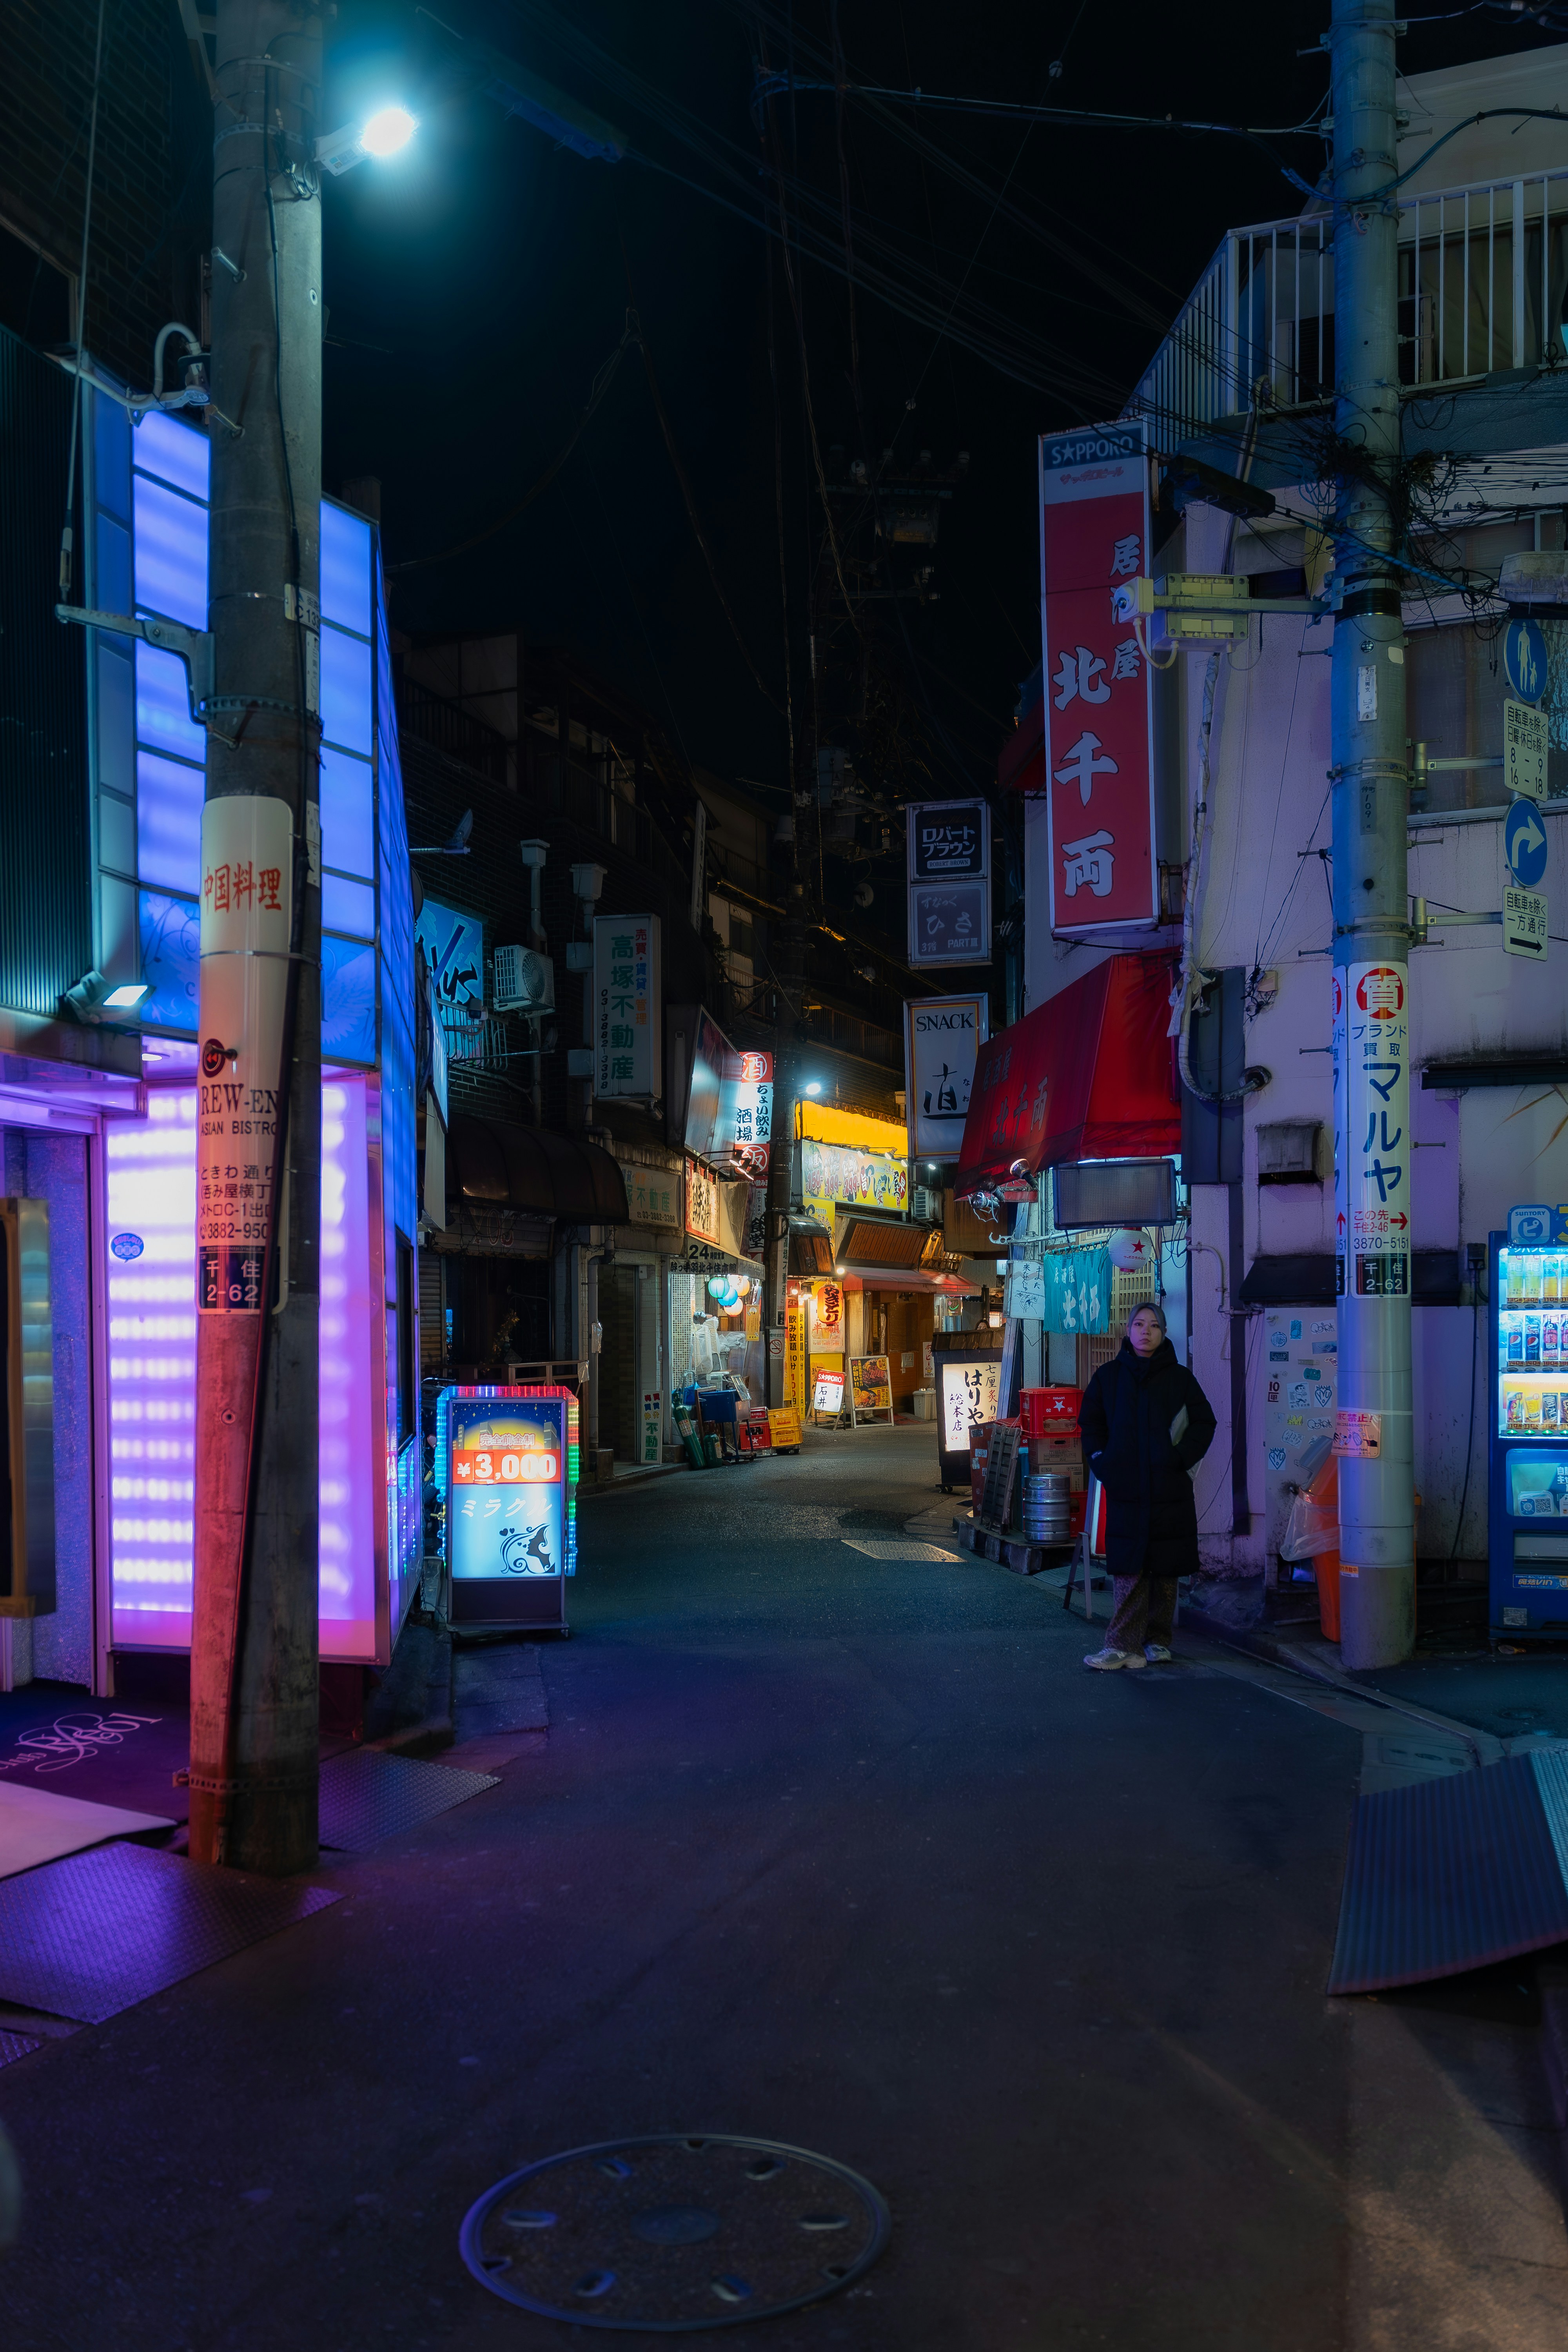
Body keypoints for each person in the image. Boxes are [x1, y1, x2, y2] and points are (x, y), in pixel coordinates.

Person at [1076, 1300, 1216, 1670]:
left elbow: (1205, 1423)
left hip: (1169, 1488)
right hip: (1127, 1487)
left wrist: (1180, 1459)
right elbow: (1090, 1425)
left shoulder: (1180, 1378)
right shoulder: (1109, 1377)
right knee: (1129, 1567)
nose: (1146, 1331)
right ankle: (1123, 1645)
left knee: (1165, 1567)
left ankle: (1157, 1639)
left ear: (1164, 1332)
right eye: (1139, 1324)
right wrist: (1103, 1463)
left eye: (1154, 1325)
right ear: (1128, 1330)